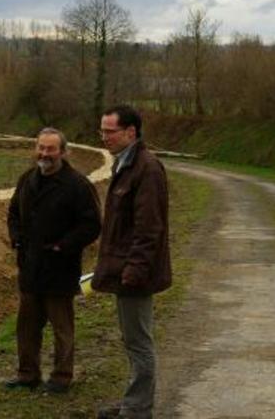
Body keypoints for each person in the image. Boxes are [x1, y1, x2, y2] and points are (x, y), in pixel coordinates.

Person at [6, 127, 101, 394]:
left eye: (51, 149)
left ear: (63, 152)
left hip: (60, 269)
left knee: (62, 327)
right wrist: (16, 238)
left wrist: (63, 246)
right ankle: (27, 375)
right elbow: (13, 212)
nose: (45, 154)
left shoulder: (77, 185)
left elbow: (92, 224)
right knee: (26, 327)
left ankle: (61, 377)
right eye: (41, 148)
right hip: (30, 267)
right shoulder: (27, 179)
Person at [92, 105, 171, 419]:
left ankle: (137, 409)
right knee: (132, 339)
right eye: (102, 130)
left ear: (131, 132)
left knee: (139, 341)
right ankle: (133, 403)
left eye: (110, 131)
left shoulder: (146, 169)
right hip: (124, 269)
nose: (104, 137)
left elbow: (149, 228)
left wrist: (135, 270)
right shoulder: (125, 164)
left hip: (134, 273)